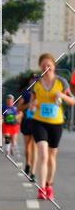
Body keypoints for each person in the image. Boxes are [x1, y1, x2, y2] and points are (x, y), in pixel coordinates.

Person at [31, 53, 75, 201]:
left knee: (51, 156)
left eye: (48, 65)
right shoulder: (36, 83)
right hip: (39, 122)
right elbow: (32, 102)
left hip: (56, 123)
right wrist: (32, 105)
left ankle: (49, 185)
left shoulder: (61, 82)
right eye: (43, 65)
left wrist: (62, 96)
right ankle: (41, 188)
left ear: (54, 66)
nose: (46, 68)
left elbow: (72, 101)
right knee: (43, 154)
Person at [16, 74, 37, 182]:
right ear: (29, 81)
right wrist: (28, 105)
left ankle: (33, 172)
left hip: (38, 121)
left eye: (36, 79)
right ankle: (28, 164)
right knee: (27, 146)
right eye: (33, 79)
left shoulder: (41, 91)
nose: (34, 81)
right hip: (27, 121)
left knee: (34, 146)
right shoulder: (25, 93)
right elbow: (18, 108)